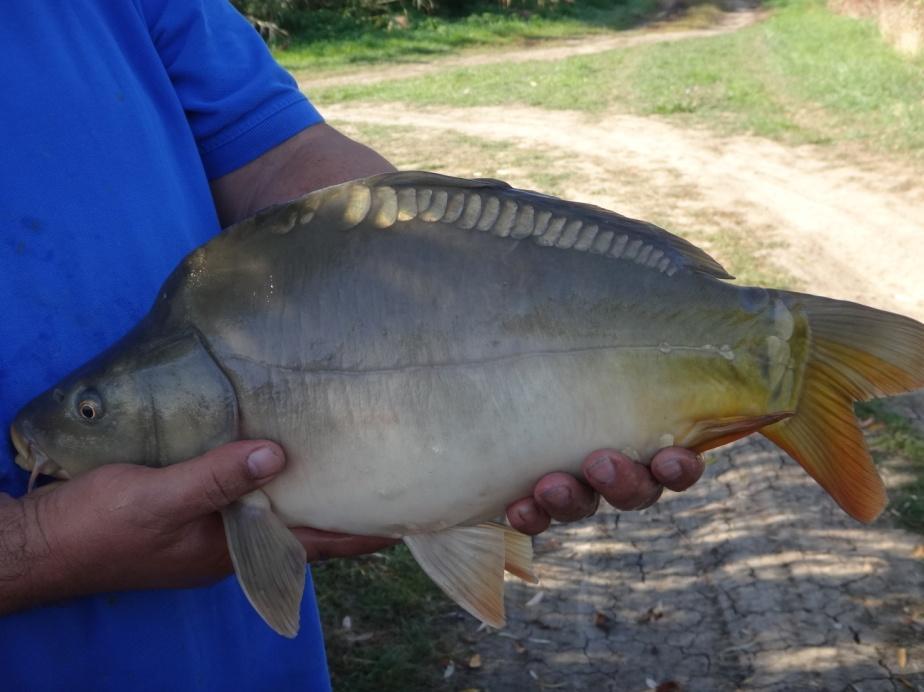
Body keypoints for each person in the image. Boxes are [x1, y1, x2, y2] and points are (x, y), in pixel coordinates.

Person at [0, 1, 704, 690]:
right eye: (91, 411)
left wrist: (471, 291)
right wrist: (41, 550)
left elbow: (281, 162)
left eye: (90, 410)